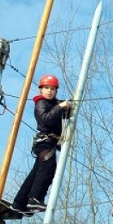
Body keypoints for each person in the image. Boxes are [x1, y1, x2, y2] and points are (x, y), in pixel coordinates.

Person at [12, 74, 73, 214]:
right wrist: (60, 107)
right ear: (41, 90)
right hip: (45, 143)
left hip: (49, 143)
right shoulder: (40, 103)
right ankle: (35, 200)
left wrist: (66, 106)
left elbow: (59, 113)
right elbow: (45, 120)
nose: (49, 91)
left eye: (52, 89)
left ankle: (20, 202)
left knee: (36, 173)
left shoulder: (53, 104)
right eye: (46, 88)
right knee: (47, 170)